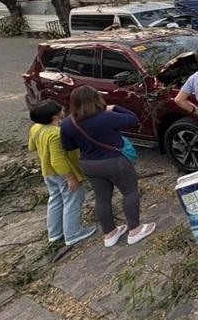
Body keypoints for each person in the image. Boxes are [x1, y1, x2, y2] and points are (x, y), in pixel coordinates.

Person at [60, 86, 155, 248]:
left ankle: (109, 234)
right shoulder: (106, 116)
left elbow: (68, 146)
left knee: (102, 197)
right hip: (115, 162)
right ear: (96, 99)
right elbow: (133, 118)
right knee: (130, 191)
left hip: (89, 164)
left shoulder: (68, 123)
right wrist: (114, 107)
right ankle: (135, 230)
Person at [28, 100, 96, 247]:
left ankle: (54, 233)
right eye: (60, 109)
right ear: (55, 116)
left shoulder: (36, 128)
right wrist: (70, 178)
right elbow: (57, 160)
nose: (63, 109)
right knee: (72, 201)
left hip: (47, 172)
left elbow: (31, 147)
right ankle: (73, 233)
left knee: (55, 200)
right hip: (62, 173)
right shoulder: (56, 134)